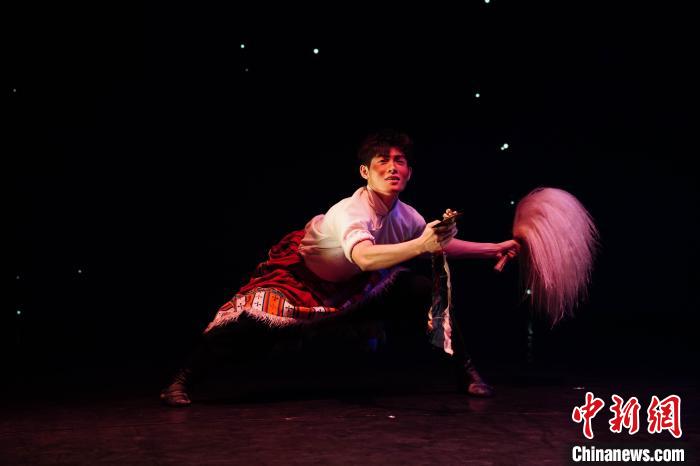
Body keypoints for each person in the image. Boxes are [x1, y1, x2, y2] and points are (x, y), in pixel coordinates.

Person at [161, 130, 520, 406]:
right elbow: (364, 257)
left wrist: (493, 248)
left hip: (361, 286)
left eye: (400, 161)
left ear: (409, 173)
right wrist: (420, 246)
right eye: (382, 160)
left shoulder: (406, 214)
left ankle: (466, 372)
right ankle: (181, 380)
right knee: (249, 324)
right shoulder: (351, 210)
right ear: (365, 171)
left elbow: (439, 245)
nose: (392, 167)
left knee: (426, 292)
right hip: (304, 282)